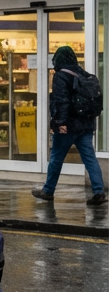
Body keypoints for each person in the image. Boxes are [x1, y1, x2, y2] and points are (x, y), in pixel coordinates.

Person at [32, 46, 106, 204]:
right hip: (86, 124)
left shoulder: (61, 76)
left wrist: (61, 122)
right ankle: (99, 191)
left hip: (69, 125)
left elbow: (61, 100)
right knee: (90, 158)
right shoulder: (85, 75)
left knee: (56, 157)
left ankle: (48, 190)